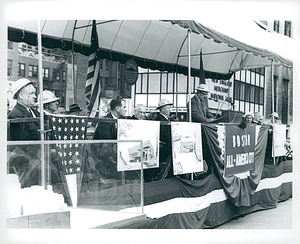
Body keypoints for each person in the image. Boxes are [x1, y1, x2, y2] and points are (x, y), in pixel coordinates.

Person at [92, 98, 127, 180]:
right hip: (103, 153)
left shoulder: (123, 120)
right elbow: (107, 142)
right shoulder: (105, 121)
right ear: (118, 109)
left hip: (116, 152)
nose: (126, 110)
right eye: (124, 107)